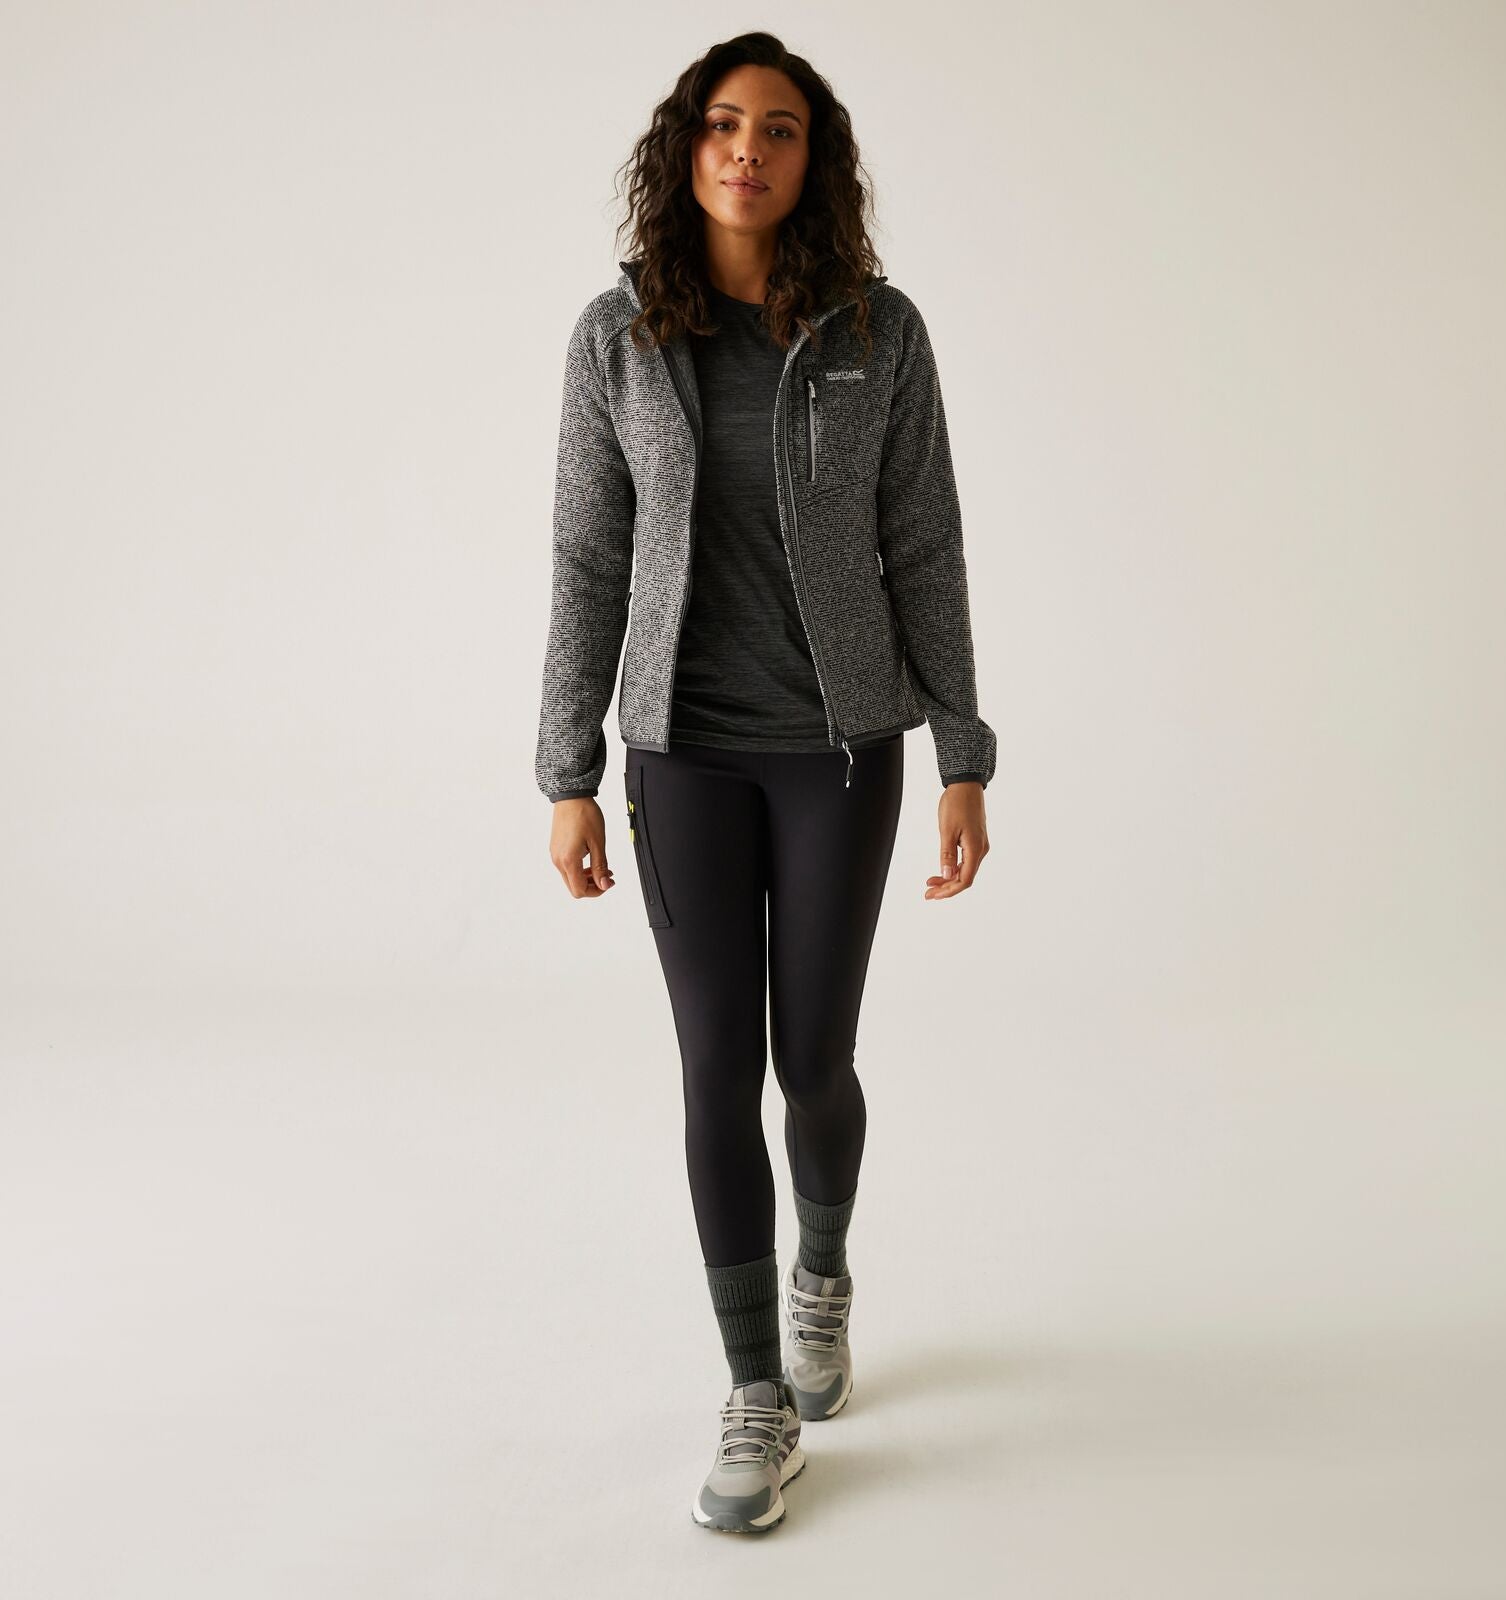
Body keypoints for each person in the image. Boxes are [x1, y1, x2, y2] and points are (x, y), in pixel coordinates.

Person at [535, 31, 997, 1534]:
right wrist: (568, 769)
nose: (748, 150)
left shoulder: (878, 331)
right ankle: (754, 1392)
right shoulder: (617, 339)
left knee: (814, 1058)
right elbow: (588, 558)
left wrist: (963, 754)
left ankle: (823, 1278)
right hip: (679, 755)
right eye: (724, 124)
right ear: (687, 149)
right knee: (714, 1066)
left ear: (815, 159)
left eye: (779, 129)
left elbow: (925, 544)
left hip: (840, 753)